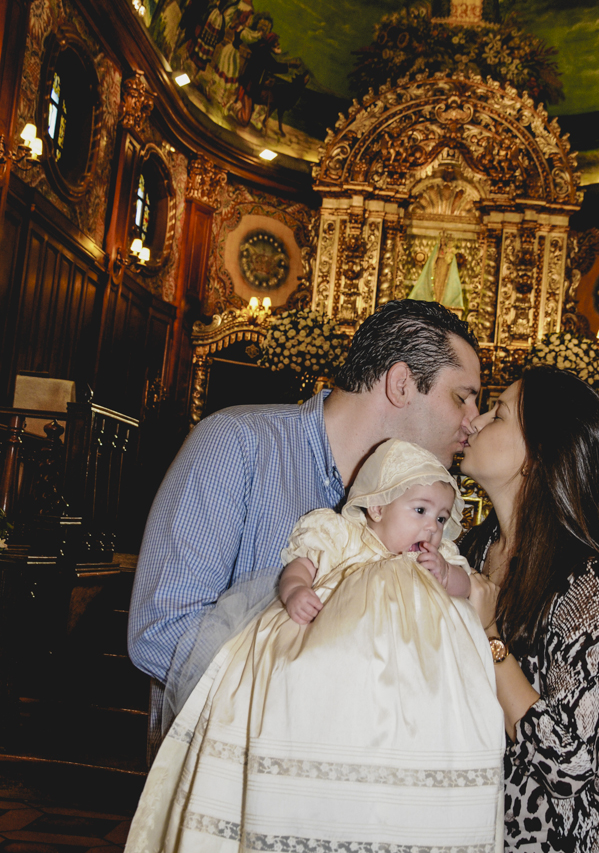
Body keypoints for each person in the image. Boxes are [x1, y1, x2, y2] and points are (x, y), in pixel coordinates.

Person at [80, 440, 504, 853]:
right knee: (297, 688)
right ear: (376, 505)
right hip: (327, 673)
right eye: (419, 511)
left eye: (442, 517)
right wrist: (299, 590)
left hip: (405, 699)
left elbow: (469, 591)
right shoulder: (338, 535)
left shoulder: (438, 558)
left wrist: (442, 575)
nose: (431, 527)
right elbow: (297, 568)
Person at [128, 299, 481, 749]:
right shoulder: (238, 444)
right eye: (462, 397)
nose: (474, 422)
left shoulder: (423, 512)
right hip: (233, 768)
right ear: (401, 384)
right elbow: (162, 630)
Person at [460, 365, 599, 853]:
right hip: (465, 838)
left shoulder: (588, 581)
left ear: (537, 457)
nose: (479, 419)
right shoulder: (466, 550)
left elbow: (569, 762)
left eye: (500, 413)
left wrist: (490, 640)